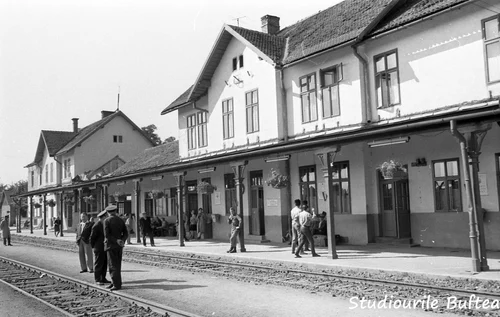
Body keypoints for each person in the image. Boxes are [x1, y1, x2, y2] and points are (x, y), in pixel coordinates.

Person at [103, 204, 128, 291]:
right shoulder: (121, 220)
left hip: (111, 245)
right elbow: (126, 233)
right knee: (118, 264)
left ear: (108, 212)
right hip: (119, 246)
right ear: (115, 211)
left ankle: (116, 284)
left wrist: (116, 240)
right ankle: (116, 282)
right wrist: (121, 240)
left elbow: (107, 235)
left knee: (112, 265)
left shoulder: (106, 221)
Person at [90, 210, 111, 286]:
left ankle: (103, 278)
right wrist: (94, 247)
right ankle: (97, 279)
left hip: (105, 247)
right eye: (106, 216)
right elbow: (92, 238)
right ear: (103, 217)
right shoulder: (96, 225)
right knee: (98, 264)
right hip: (98, 248)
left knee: (104, 263)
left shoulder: (104, 224)